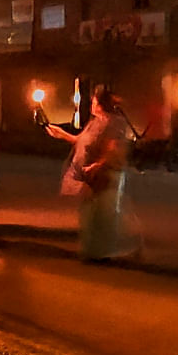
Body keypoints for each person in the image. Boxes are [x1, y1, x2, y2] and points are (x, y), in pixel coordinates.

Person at [46, 86, 134, 261]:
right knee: (89, 213)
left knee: (104, 214)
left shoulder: (114, 123)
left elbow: (112, 149)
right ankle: (91, 250)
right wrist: (62, 134)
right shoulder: (96, 121)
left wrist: (97, 165)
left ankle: (103, 253)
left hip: (107, 173)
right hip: (90, 175)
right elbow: (82, 141)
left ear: (101, 105)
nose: (91, 105)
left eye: (94, 102)